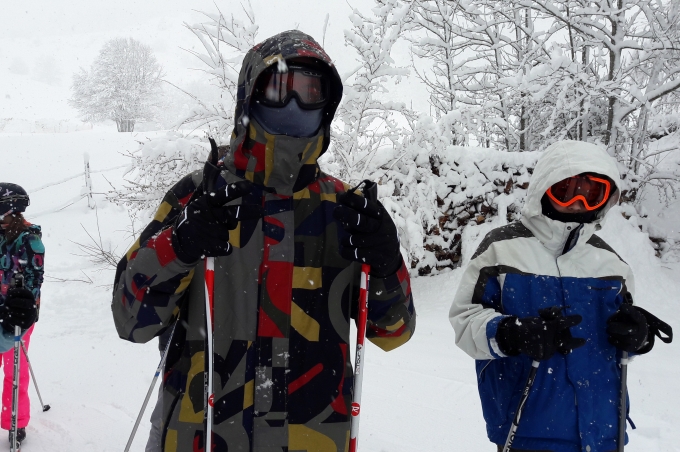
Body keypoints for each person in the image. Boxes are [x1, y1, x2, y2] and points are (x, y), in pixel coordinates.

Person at [112, 30, 415, 452]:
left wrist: (386, 263)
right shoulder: (200, 197)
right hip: (200, 436)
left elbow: (393, 332)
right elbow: (130, 319)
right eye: (278, 88)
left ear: (327, 104)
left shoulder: (345, 211)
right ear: (249, 95)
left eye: (310, 91)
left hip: (312, 438)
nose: (293, 104)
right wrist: (179, 245)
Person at [449, 140, 672, 452]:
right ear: (544, 187)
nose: (579, 202)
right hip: (528, 426)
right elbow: (464, 321)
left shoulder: (612, 265)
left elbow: (617, 345)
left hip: (603, 430)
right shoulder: (502, 249)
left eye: (592, 193)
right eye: (567, 189)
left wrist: (636, 337)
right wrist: (512, 334)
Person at [0, 183, 43, 446]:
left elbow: (34, 279)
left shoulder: (29, 240)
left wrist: (22, 304)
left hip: (18, 317)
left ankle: (15, 421)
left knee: (15, 371)